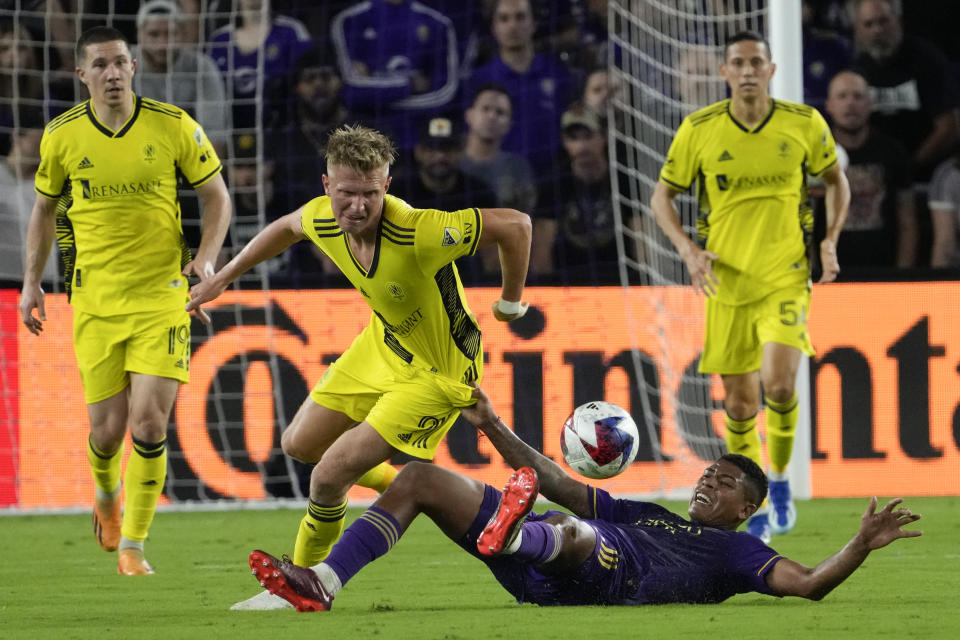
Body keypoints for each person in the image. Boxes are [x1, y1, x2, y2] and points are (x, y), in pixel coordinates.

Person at [183, 124, 531, 607]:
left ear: (387, 185)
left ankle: (299, 586)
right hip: (384, 345)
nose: (358, 207)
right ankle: (409, 485)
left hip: (439, 372)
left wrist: (511, 303)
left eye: (370, 194)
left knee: (326, 477)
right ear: (327, 185)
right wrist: (222, 279)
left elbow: (516, 226)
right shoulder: (323, 217)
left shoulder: (418, 230)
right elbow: (285, 227)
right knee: (299, 444)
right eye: (347, 193)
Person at [245, 384, 922, 611]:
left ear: (747, 508)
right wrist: (489, 425)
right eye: (708, 472)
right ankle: (326, 580)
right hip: (536, 557)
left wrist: (858, 545)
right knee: (419, 476)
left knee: (574, 534)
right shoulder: (649, 514)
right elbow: (558, 476)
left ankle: (515, 533)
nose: (707, 482)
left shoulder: (739, 550)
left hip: (602, 580)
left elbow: (806, 586)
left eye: (723, 484)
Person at [19, 26, 232, 575]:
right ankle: (106, 496)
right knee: (107, 432)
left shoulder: (174, 125)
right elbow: (43, 211)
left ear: (133, 67)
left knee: (150, 424)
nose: (112, 73)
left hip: (162, 296)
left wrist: (206, 261)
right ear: (81, 75)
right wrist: (31, 282)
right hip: (94, 301)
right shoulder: (62, 136)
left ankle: (135, 545)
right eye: (100, 65)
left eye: (120, 63)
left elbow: (217, 196)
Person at [649, 31, 851, 543]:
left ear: (770, 70)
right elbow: (661, 197)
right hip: (726, 283)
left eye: (754, 62)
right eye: (736, 62)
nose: (745, 70)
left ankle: (779, 484)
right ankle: (753, 504)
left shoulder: (804, 124)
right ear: (723, 72)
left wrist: (828, 242)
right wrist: (689, 251)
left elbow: (837, 181)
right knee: (739, 405)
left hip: (785, 276)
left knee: (779, 384)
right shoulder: (699, 129)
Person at [849, 0, 960, 182]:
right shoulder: (854, 68)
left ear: (898, 20)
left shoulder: (928, 60)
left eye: (883, 21)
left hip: (928, 176)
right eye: (868, 24)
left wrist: (908, 166)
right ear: (857, 29)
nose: (877, 30)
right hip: (873, 177)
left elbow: (950, 127)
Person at [329, 0, 460, 150]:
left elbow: (445, 95)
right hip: (362, 141)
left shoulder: (438, 22)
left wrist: (373, 89)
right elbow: (349, 92)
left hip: (420, 142)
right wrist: (409, 85)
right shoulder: (348, 20)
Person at [465, 0, 575, 175]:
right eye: (504, 19)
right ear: (494, 27)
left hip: (554, 175)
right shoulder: (479, 79)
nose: (512, 26)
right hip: (500, 176)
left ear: (534, 23)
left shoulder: (557, 72)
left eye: (520, 17)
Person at [823, 70, 916, 271]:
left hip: (883, 270)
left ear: (870, 104)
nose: (850, 103)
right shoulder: (814, 154)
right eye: (842, 96)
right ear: (829, 105)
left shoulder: (892, 152)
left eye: (858, 96)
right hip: (828, 274)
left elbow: (907, 221)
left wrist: (904, 275)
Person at [132, 0, 230, 153]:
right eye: (154, 34)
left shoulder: (201, 67)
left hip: (188, 154)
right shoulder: (122, 67)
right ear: (139, 35)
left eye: (170, 34)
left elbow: (214, 132)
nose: (162, 43)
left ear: (183, 34)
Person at [208, 0, 313, 130]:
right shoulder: (220, 39)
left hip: (284, 126)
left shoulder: (291, 31)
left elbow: (308, 77)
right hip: (233, 127)